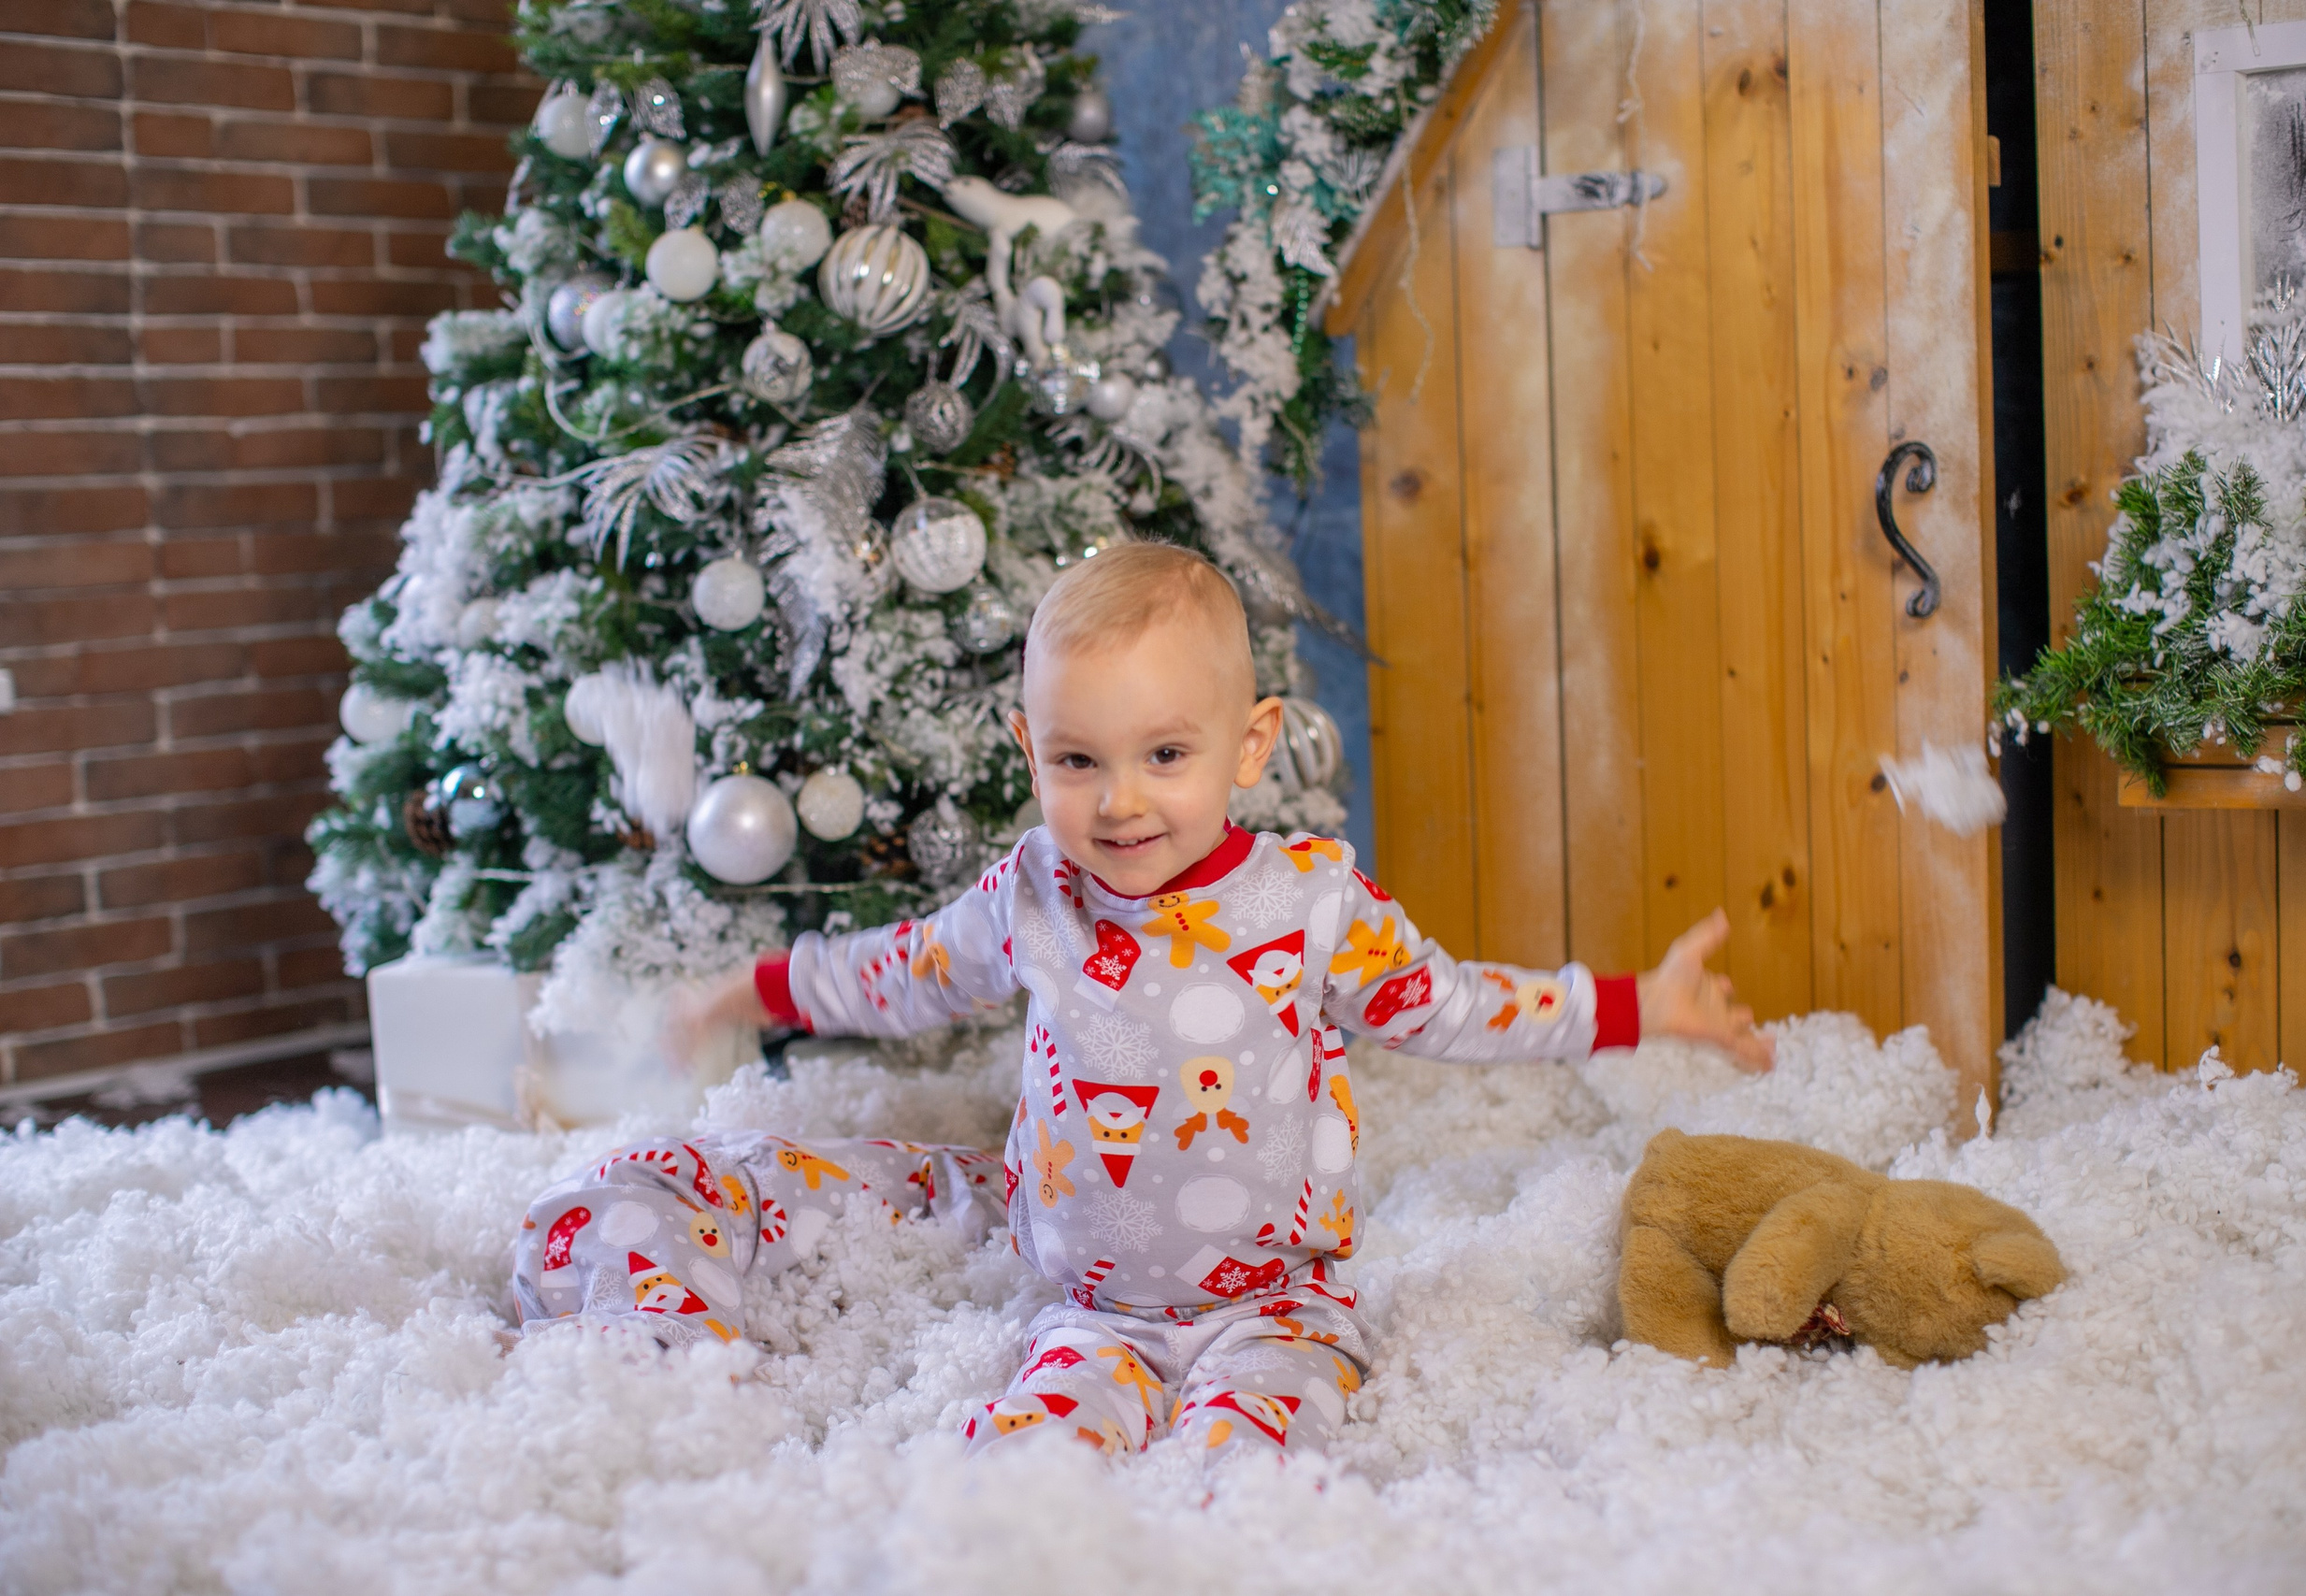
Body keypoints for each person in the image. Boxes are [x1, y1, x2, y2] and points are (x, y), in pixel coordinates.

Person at [513, 541, 1771, 1458]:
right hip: (1092, 1306)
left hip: (1276, 1305)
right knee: (1027, 1472)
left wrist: (1635, 1003)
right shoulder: (1037, 893)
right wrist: (754, 985)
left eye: (1165, 756)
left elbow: (1455, 1005)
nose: (1119, 802)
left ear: (1251, 744)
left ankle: (1243, 1442)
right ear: (1029, 750)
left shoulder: (1309, 905)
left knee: (1245, 1474)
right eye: (1077, 761)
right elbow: (903, 971)